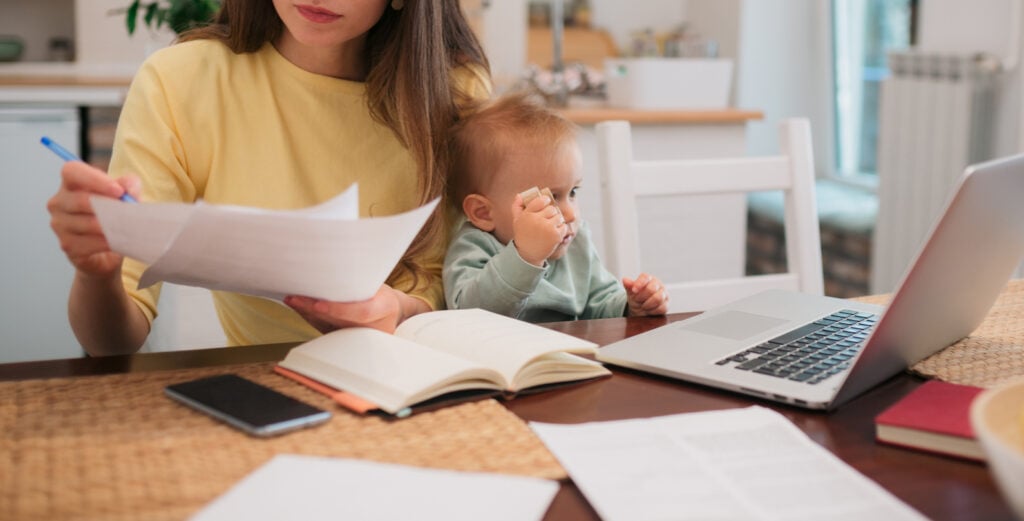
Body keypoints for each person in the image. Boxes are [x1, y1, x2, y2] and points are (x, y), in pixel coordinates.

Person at [45, 0, 490, 356]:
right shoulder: (179, 81)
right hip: (267, 387)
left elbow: (480, 287)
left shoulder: (456, 92)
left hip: (428, 376)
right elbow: (112, 344)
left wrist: (399, 310)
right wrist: (97, 275)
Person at [443, 94, 669, 322]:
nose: (570, 214)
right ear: (483, 213)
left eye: (573, 192)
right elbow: (468, 313)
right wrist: (525, 256)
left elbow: (601, 303)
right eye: (550, 199)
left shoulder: (575, 242)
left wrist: (631, 306)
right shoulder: (474, 247)